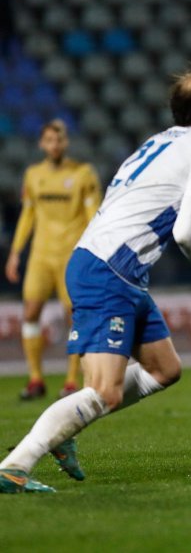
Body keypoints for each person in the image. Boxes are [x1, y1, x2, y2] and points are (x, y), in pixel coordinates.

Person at [0, 67, 191, 493]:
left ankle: (68, 424)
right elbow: (187, 231)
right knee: (105, 392)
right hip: (108, 270)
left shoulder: (156, 142)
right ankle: (15, 466)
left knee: (165, 369)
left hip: (110, 266)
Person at [5, 119, 101, 400]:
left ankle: (72, 380)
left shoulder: (83, 174)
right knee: (30, 313)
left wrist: (93, 252)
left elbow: (94, 215)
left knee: (73, 316)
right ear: (41, 144)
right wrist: (15, 252)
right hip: (41, 256)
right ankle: (36, 378)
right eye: (49, 140)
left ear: (65, 143)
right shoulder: (34, 175)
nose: (54, 145)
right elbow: (28, 215)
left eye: (58, 140)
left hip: (72, 256)